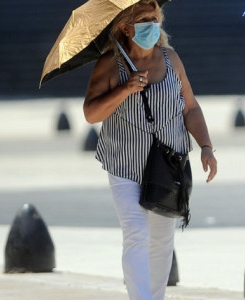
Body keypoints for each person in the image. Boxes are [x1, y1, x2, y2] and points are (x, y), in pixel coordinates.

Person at [82, 1, 217, 299]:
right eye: (143, 19)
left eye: (154, 18)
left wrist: (206, 146)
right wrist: (124, 89)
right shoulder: (110, 64)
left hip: (168, 163)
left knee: (161, 240)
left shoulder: (171, 59)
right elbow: (91, 114)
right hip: (125, 163)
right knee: (136, 233)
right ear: (125, 28)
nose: (151, 25)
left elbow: (190, 106)